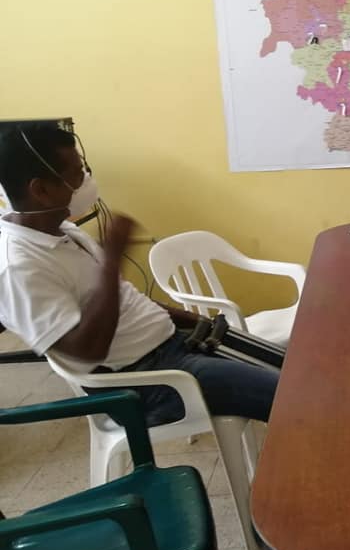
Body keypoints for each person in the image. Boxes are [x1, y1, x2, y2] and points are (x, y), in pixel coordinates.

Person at [0, 124, 278, 427]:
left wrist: (193, 319)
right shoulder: (18, 268)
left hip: (172, 345)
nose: (87, 181)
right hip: (146, 383)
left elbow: (123, 299)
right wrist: (112, 261)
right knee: (294, 397)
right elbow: (87, 351)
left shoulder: (61, 230)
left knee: (294, 370)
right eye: (77, 174)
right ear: (41, 190)